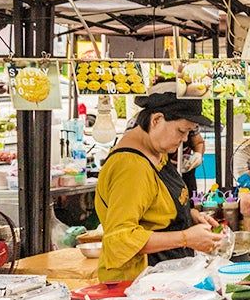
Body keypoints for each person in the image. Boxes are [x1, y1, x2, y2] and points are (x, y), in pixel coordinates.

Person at [94, 90, 221, 283]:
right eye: (181, 131)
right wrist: (186, 237)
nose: (185, 139)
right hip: (134, 284)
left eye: (189, 132)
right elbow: (120, 239)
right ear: (156, 120)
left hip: (162, 278)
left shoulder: (155, 152)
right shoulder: (131, 166)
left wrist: (189, 216)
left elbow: (155, 209)